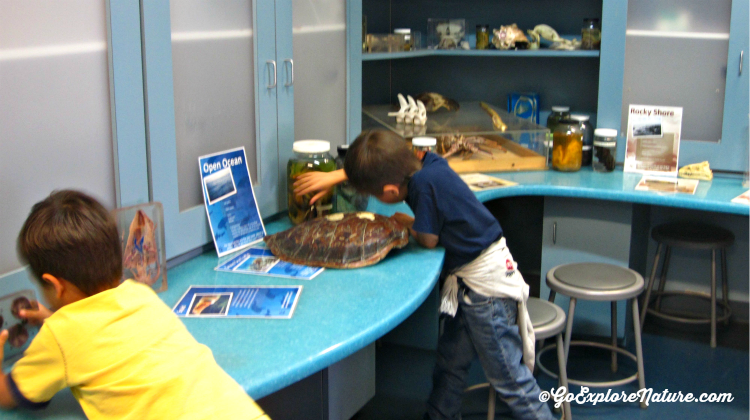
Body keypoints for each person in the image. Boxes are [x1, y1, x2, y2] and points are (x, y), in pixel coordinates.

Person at [295, 130, 553, 420]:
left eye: (373, 192)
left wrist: (408, 223)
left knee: (510, 380)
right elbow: (388, 162)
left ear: (391, 192)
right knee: (451, 364)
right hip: (472, 285)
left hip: (486, 294)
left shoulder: (422, 188)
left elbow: (428, 239)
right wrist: (338, 176)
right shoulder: (428, 163)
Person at [0, 190, 270, 420]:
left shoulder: (59, 337)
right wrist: (54, 318)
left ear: (54, 284)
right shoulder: (140, 295)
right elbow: (101, 329)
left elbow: (9, 395)